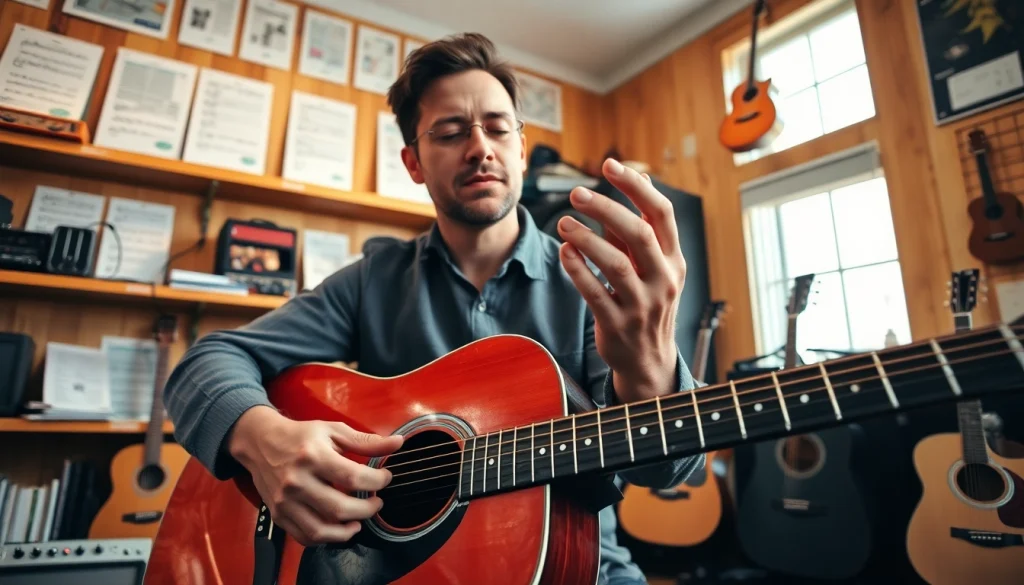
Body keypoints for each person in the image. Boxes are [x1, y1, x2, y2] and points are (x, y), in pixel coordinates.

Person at [162, 32, 704, 585]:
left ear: (520, 150)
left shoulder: (590, 285)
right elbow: (202, 365)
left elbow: (666, 469)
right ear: (414, 162)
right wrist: (264, 440)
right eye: (450, 132)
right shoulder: (372, 281)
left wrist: (650, 369)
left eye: (498, 128)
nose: (480, 148)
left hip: (578, 569)